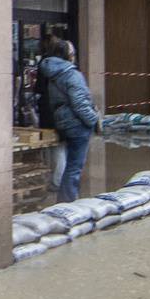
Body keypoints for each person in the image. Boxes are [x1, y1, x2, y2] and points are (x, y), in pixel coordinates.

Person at [37, 37, 101, 202]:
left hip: (62, 121)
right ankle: (68, 202)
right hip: (77, 124)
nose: (74, 55)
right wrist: (94, 120)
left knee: (68, 164)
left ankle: (65, 199)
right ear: (66, 55)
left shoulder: (53, 75)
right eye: (72, 53)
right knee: (74, 167)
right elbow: (80, 104)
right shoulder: (72, 74)